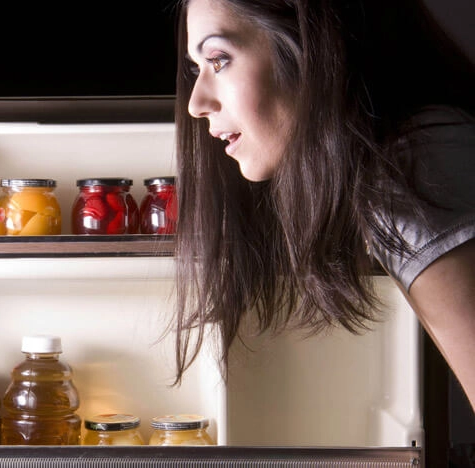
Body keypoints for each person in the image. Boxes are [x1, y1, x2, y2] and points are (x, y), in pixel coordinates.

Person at [171, 0, 475, 412]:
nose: (196, 102)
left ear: (309, 47)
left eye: (219, 59)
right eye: (196, 68)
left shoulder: (417, 171)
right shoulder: (411, 155)